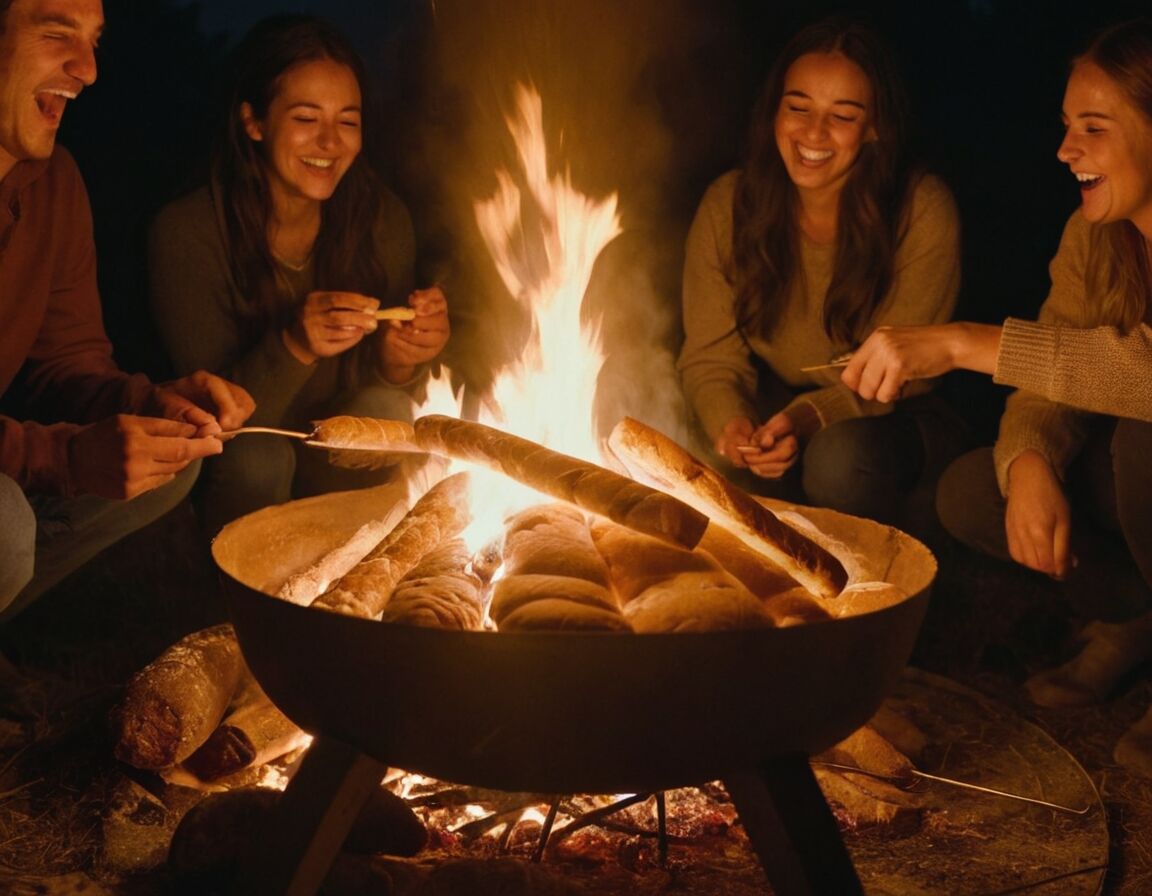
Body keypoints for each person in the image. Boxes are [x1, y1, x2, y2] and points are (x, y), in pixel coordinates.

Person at [842, 18, 1152, 776]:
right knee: (979, 489)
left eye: (1094, 128)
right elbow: (1056, 364)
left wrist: (956, 341)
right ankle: (1133, 621)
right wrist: (1032, 463)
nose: (1065, 150)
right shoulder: (1097, 237)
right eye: (1064, 126)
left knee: (1144, 443)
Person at [0, 0, 255, 621]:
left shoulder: (54, 183)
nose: (86, 69)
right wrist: (65, 458)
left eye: (94, 42)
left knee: (168, 465)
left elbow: (66, 364)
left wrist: (148, 404)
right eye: (57, 31)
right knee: (5, 523)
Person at [149, 15, 449, 533]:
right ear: (255, 122)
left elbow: (376, 384)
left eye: (348, 121)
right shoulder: (187, 233)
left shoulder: (382, 220)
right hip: (239, 448)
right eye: (307, 118)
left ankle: (350, 568)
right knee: (260, 458)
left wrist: (402, 359)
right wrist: (296, 344)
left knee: (390, 407)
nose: (330, 142)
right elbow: (211, 414)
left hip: (330, 445)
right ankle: (249, 593)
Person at [677, 16, 964, 532]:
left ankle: (879, 572)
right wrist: (732, 428)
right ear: (775, 113)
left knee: (837, 461)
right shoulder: (729, 207)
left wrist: (806, 420)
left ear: (875, 127)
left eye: (843, 116)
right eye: (798, 108)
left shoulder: (921, 210)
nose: (813, 133)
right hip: (781, 408)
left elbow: (897, 377)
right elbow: (710, 358)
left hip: (895, 417)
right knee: (683, 441)